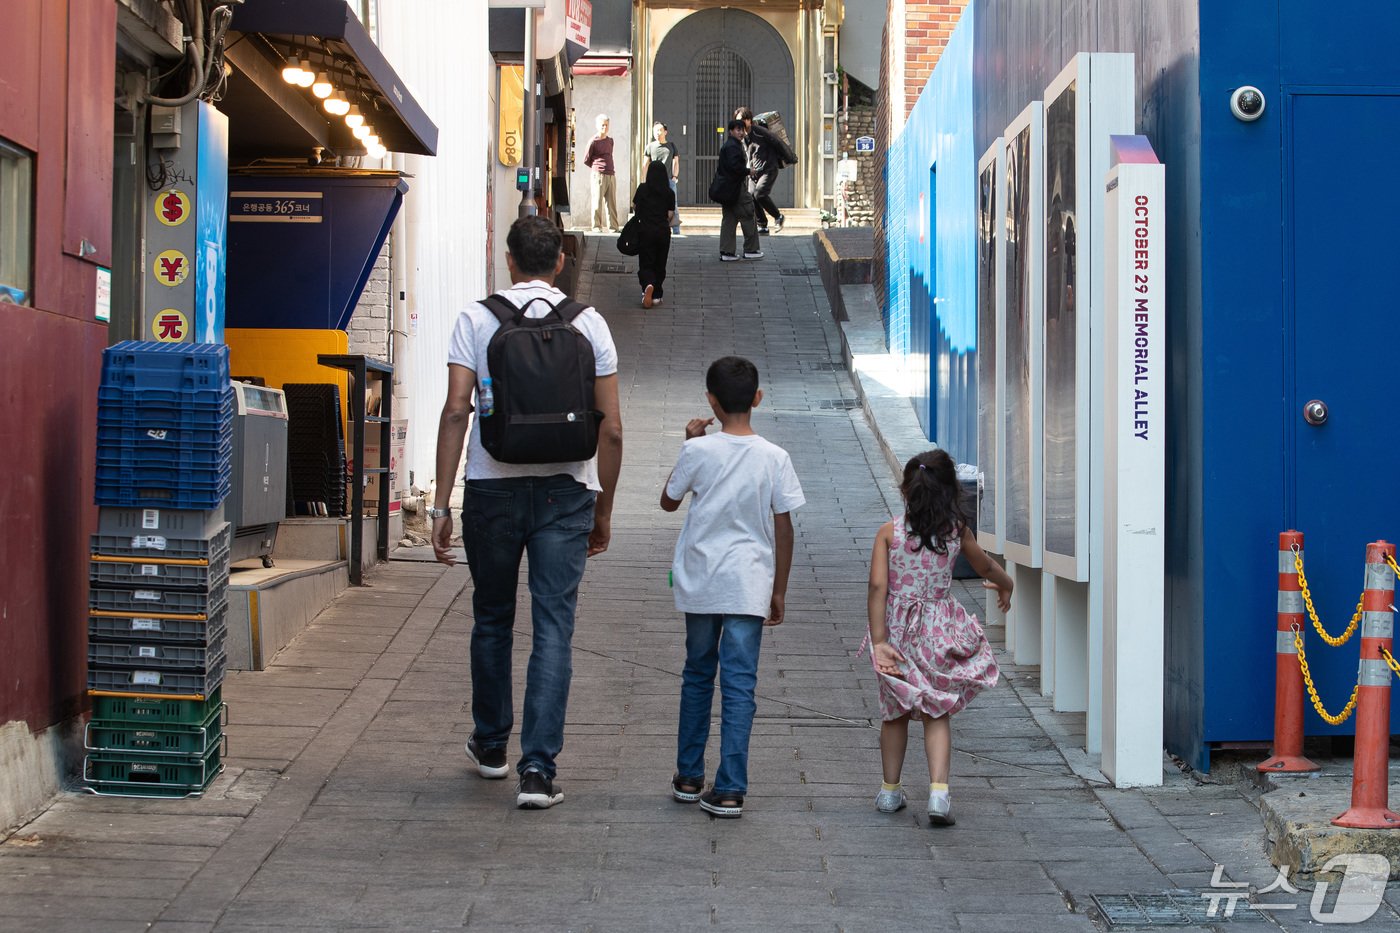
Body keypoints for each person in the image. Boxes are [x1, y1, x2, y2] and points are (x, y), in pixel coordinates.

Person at [432, 215, 624, 810]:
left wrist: (440, 504)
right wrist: (604, 509)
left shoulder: (476, 318)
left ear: (509, 260)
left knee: (492, 618)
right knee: (553, 627)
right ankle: (538, 770)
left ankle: (491, 746)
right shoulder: (589, 323)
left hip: (491, 490)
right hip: (567, 491)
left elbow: (456, 411)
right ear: (560, 262)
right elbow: (612, 429)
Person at [661, 356, 804, 818]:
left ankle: (688, 775)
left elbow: (668, 502)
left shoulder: (698, 451)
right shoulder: (775, 457)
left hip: (702, 581)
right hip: (749, 583)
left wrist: (689, 443)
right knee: (740, 684)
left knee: (697, 673)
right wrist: (778, 589)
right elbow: (784, 528)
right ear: (758, 398)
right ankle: (729, 788)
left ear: (711, 401)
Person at [865, 449, 1010, 826]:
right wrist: (1006, 583)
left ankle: (890, 791)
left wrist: (880, 641)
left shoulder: (889, 533)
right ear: (951, 491)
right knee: (937, 709)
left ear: (906, 491)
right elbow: (985, 565)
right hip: (938, 630)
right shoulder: (957, 531)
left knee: (895, 712)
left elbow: (878, 587)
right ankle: (939, 795)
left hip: (897, 632)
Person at [712, 119, 763, 262]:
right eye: (738, 130)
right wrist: (749, 171)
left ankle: (727, 252)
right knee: (748, 214)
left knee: (729, 219)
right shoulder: (733, 146)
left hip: (727, 190)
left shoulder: (729, 145)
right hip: (736, 188)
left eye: (742, 130)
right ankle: (751, 249)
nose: (741, 133)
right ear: (731, 131)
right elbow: (735, 167)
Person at [630, 160, 675, 309]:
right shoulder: (669, 192)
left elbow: (634, 206)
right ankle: (657, 295)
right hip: (662, 232)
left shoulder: (642, 189)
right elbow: (670, 214)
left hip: (645, 231)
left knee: (646, 262)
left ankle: (648, 285)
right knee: (660, 263)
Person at [735, 107, 786, 235]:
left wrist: (785, 158)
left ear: (748, 120)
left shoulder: (760, 131)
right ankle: (762, 225)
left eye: (741, 120)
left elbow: (777, 142)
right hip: (754, 171)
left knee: (760, 194)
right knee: (751, 196)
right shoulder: (744, 136)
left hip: (768, 168)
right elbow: (748, 153)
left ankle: (778, 216)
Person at [583, 114, 621, 232]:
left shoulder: (610, 141)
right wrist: (597, 167)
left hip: (611, 174)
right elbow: (586, 159)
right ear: (597, 125)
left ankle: (613, 227)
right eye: (602, 125)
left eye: (606, 125)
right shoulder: (593, 141)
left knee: (612, 203)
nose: (604, 127)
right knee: (597, 201)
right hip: (598, 174)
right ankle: (596, 226)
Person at [644, 122, 682, 236]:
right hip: (653, 182)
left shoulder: (671, 146)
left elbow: (676, 162)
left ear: (665, 132)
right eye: (655, 130)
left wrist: (674, 177)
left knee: (673, 205)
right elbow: (645, 165)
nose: (658, 133)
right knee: (653, 205)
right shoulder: (650, 146)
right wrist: (645, 180)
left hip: (669, 181)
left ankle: (676, 231)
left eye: (660, 130)